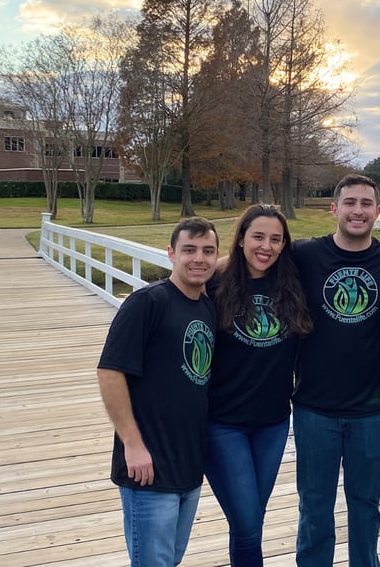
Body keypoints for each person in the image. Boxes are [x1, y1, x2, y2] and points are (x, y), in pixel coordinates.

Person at [292, 174, 380, 566]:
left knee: (365, 504)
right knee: (314, 505)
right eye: (350, 202)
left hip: (372, 408)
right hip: (314, 406)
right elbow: (252, 258)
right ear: (334, 209)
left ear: (378, 211)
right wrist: (196, 268)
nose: (358, 210)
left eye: (367, 203)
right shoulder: (306, 255)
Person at [97, 217, 219, 567]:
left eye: (208, 251)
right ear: (170, 254)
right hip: (147, 467)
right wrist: (132, 445)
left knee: (171, 558)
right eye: (189, 250)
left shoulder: (206, 306)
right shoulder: (147, 303)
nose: (199, 258)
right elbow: (110, 372)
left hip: (188, 463)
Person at [206, 204, 312, 566]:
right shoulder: (215, 283)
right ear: (240, 240)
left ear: (284, 245)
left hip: (273, 422)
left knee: (248, 521)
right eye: (258, 237)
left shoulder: (294, 282)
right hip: (223, 423)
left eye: (275, 239)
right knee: (248, 522)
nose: (266, 246)